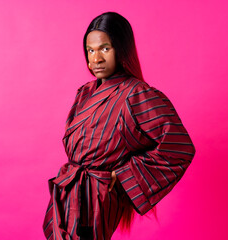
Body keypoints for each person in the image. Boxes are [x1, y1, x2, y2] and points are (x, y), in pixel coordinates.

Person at [42, 12, 195, 240]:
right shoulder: (84, 92)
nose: (96, 59)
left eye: (105, 49)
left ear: (121, 49)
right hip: (68, 190)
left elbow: (179, 147)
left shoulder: (137, 94)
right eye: (90, 50)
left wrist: (124, 175)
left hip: (98, 198)